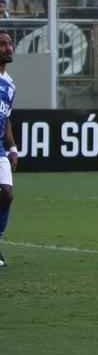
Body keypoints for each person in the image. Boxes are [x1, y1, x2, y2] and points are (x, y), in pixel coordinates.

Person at [0, 33, 15, 267]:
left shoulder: (10, 83)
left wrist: (13, 147)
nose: (8, 48)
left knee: (7, 194)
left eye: (9, 44)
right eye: (3, 44)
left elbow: (7, 118)